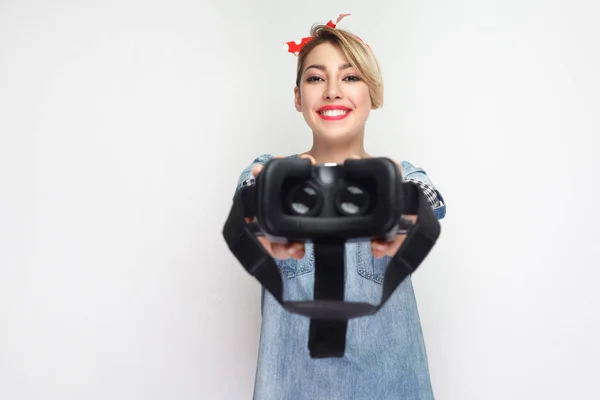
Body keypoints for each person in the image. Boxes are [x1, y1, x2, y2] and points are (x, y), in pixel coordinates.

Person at [232, 15, 446, 400]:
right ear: (298, 97)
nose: (332, 90)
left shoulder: (402, 177)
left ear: (373, 94)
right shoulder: (269, 173)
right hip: (292, 386)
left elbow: (426, 203)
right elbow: (249, 204)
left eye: (349, 77)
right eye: (315, 78)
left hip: (393, 386)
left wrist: (403, 208)